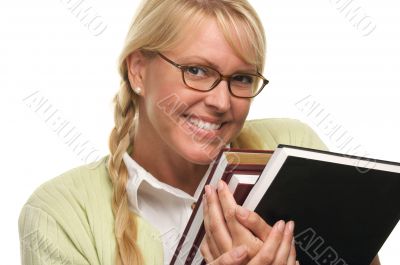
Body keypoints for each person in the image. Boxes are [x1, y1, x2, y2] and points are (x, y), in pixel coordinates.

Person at [18, 0, 380, 264]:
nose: (222, 101)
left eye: (241, 78)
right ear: (139, 71)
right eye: (197, 71)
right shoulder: (58, 214)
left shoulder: (292, 147)